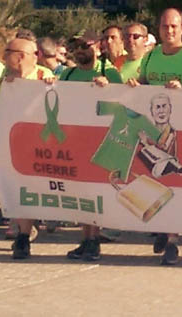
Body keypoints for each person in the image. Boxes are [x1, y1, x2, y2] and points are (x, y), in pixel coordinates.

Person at [127, 7, 182, 265]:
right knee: (155, 183)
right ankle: (164, 230)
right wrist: (135, 87)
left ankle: (173, 240)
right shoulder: (151, 56)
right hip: (153, 135)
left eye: (174, 26)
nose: (169, 31)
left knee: (176, 184)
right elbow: (143, 88)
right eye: (165, 26)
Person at [0, 36, 54, 259]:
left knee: (33, 189)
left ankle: (27, 230)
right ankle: (23, 235)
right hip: (13, 145)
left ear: (20, 56)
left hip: (42, 145)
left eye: (7, 52)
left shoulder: (44, 75)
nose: (3, 57)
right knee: (19, 189)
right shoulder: (5, 81)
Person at [61, 31, 123, 261]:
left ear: (97, 47)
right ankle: (86, 239)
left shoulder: (109, 72)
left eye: (84, 46)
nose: (80, 51)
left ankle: (94, 240)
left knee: (95, 192)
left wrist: (109, 89)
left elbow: (124, 103)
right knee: (81, 193)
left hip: (101, 141)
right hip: (75, 139)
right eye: (76, 46)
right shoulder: (67, 74)